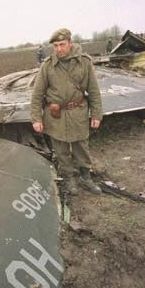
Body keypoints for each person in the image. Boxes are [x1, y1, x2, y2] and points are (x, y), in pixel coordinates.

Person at [30, 28, 103, 196]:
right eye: (55, 46)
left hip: (78, 112)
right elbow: (37, 94)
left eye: (62, 45)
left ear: (70, 43)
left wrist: (97, 114)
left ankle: (85, 177)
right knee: (61, 150)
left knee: (81, 147)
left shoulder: (84, 62)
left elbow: (94, 91)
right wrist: (36, 118)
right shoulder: (47, 65)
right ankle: (69, 178)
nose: (59, 49)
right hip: (55, 115)